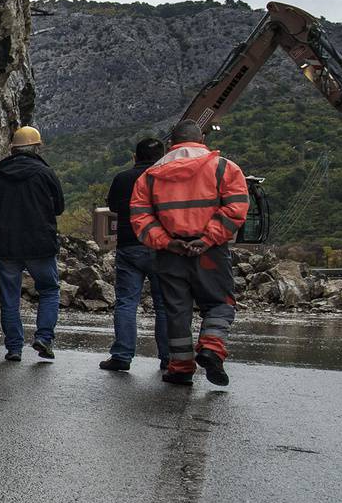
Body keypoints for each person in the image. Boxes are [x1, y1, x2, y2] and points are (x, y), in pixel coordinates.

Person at [131, 119, 251, 387]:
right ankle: (211, 347)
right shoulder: (224, 168)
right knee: (220, 303)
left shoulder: (150, 176)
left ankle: (182, 366)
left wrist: (167, 242)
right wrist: (207, 239)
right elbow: (237, 207)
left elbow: (140, 217)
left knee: (177, 310)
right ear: (201, 141)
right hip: (210, 252)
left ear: (172, 144)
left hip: (170, 253)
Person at [0, 125, 64, 362]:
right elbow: (59, 207)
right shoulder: (45, 173)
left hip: (5, 246)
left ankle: (14, 348)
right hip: (40, 245)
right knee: (49, 290)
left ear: (13, 149)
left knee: (9, 298)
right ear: (36, 147)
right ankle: (44, 338)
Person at [99, 136, 171, 373]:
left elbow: (114, 208)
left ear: (135, 156)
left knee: (127, 302)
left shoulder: (122, 178)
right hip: (162, 247)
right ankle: (169, 358)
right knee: (164, 304)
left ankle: (122, 355)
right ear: (162, 156)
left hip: (130, 245)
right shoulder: (168, 177)